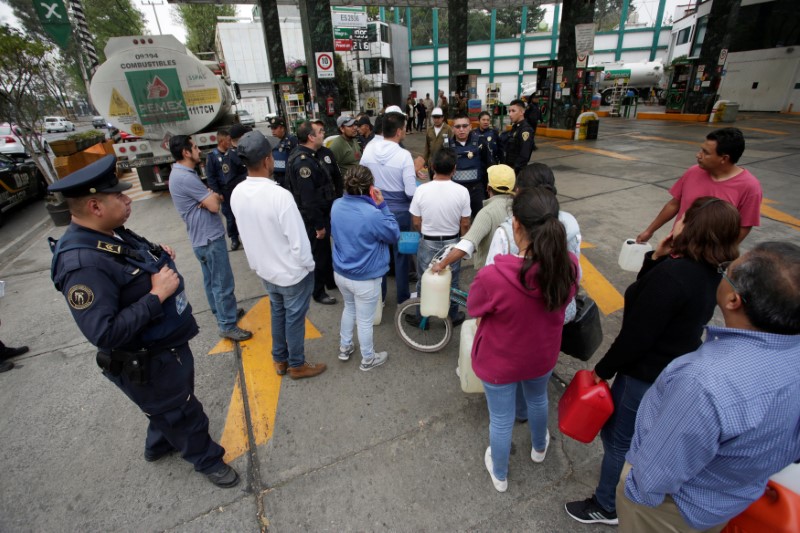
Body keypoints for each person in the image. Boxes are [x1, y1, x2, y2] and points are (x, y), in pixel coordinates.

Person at [48, 155, 240, 488]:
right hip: (148, 361)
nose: (127, 199)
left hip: (165, 349)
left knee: (167, 406)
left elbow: (130, 260)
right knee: (182, 410)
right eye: (119, 196)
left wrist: (155, 255)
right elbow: (103, 332)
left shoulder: (108, 233)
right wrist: (156, 296)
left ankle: (158, 443)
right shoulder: (82, 264)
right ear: (94, 206)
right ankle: (207, 460)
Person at [565, 197, 741, 527]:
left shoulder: (675, 276)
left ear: (693, 228)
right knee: (641, 434)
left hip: (644, 373)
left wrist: (604, 370)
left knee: (619, 439)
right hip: (674, 365)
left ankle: (606, 505)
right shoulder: (707, 271)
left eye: (684, 218)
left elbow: (636, 334)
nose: (678, 222)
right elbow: (647, 296)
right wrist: (657, 256)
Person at [616, 241, 800, 533]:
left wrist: (636, 494)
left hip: (672, 509)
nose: (723, 271)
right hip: (726, 501)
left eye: (727, 272)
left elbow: (656, 473)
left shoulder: (703, 382)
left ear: (733, 300)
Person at [468, 187, 579, 493]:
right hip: (542, 356)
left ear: (515, 224)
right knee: (538, 399)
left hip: (499, 361)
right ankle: (540, 448)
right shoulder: (568, 265)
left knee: (501, 419)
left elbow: (475, 309)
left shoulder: (494, 277)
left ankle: (500, 474)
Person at [230, 130, 327, 380]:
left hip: (266, 270)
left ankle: (279, 359)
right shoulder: (279, 196)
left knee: (278, 313)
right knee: (294, 319)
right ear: (266, 161)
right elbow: (298, 242)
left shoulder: (238, 192)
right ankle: (296, 364)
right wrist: (309, 266)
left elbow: (245, 233)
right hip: (291, 273)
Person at [167, 135, 252, 342]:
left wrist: (209, 196)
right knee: (222, 282)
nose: (198, 150)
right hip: (209, 239)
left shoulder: (181, 174)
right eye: (195, 147)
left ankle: (224, 313)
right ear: (186, 152)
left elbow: (211, 197)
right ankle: (227, 325)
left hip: (201, 238)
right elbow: (215, 204)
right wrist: (210, 197)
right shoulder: (185, 177)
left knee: (212, 281)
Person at [637, 127, 761, 244]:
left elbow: (744, 226)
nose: (698, 155)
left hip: (707, 258)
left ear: (724, 158)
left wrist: (722, 254)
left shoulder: (749, 187)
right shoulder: (693, 172)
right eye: (701, 149)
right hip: (676, 246)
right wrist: (649, 231)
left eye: (705, 152)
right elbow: (674, 204)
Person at [330, 166, 400, 371]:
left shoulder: (336, 205)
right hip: (366, 278)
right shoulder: (372, 214)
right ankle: (368, 358)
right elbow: (393, 234)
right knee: (365, 321)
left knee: (349, 309)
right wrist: (383, 206)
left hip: (341, 272)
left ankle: (345, 347)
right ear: (371, 187)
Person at [409, 148, 471, 325]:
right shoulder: (462, 191)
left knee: (424, 279)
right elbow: (465, 223)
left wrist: (424, 231)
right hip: (453, 242)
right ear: (454, 169)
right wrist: (464, 243)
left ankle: (422, 318)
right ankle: (452, 316)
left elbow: (416, 221)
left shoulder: (421, 190)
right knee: (453, 281)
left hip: (428, 240)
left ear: (433, 167)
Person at [359, 111, 416, 304]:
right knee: (401, 255)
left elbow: (361, 179)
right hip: (400, 213)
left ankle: (380, 299)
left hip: (374, 210)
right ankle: (402, 298)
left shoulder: (368, 149)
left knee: (379, 254)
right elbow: (410, 191)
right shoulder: (404, 156)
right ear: (399, 131)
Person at [285, 121, 338, 305]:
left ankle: (330, 281)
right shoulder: (303, 162)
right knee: (318, 254)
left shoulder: (312, 155)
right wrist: (319, 225)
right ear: (310, 136)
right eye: (320, 132)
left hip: (323, 211)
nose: (323, 134)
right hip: (314, 217)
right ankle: (318, 291)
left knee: (325, 252)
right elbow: (308, 199)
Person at [432, 164, 515, 274]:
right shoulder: (520, 207)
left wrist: (441, 264)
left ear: (488, 187)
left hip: (492, 274)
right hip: (515, 271)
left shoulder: (487, 213)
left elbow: (467, 245)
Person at [204, 128, 242, 251]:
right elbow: (211, 177)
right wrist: (217, 192)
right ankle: (234, 238)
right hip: (224, 192)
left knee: (241, 214)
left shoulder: (232, 153)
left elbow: (241, 169)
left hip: (236, 189)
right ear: (221, 141)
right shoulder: (212, 157)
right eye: (228, 141)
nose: (230, 143)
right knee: (230, 217)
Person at [451, 113, 490, 219]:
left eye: (465, 126)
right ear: (453, 129)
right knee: (457, 223)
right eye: (458, 126)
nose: (461, 129)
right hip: (456, 192)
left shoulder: (480, 142)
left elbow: (488, 164)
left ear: (470, 127)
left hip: (476, 190)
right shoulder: (447, 146)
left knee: (481, 220)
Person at [503, 99, 535, 173]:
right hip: (509, 169)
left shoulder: (525, 130)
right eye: (509, 111)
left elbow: (524, 155)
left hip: (517, 172)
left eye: (513, 111)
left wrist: (514, 170)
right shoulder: (515, 128)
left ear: (522, 112)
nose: (510, 114)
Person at [268, 116, 298, 188]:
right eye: (271, 128)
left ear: (282, 128)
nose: (272, 131)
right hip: (278, 177)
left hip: (288, 178)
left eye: (275, 128)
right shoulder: (277, 141)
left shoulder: (291, 140)